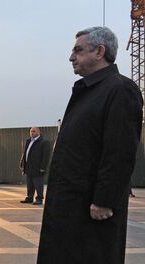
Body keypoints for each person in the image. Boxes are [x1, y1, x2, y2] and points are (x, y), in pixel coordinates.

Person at [38, 27, 143, 264]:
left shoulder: (120, 90)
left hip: (91, 211)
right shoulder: (89, 91)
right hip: (70, 207)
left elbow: (119, 151)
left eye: (78, 50)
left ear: (100, 52)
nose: (71, 57)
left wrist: (105, 199)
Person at [19, 127, 50, 205]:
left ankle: (39, 199)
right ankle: (29, 198)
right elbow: (25, 153)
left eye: (34, 131)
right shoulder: (28, 141)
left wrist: (43, 168)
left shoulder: (44, 142)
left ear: (39, 132)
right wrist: (22, 163)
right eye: (30, 131)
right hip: (28, 167)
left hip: (38, 168)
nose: (32, 133)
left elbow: (46, 156)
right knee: (30, 185)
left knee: (38, 184)